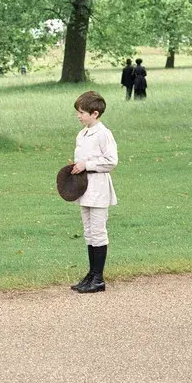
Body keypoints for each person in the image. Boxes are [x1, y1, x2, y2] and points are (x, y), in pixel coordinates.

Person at [69, 91, 118, 294]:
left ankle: (98, 278)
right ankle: (91, 273)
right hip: (84, 188)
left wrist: (86, 165)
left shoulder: (103, 134)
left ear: (94, 113)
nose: (79, 116)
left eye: (82, 112)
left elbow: (111, 161)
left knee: (98, 232)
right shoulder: (83, 133)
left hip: (98, 188)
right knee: (89, 232)